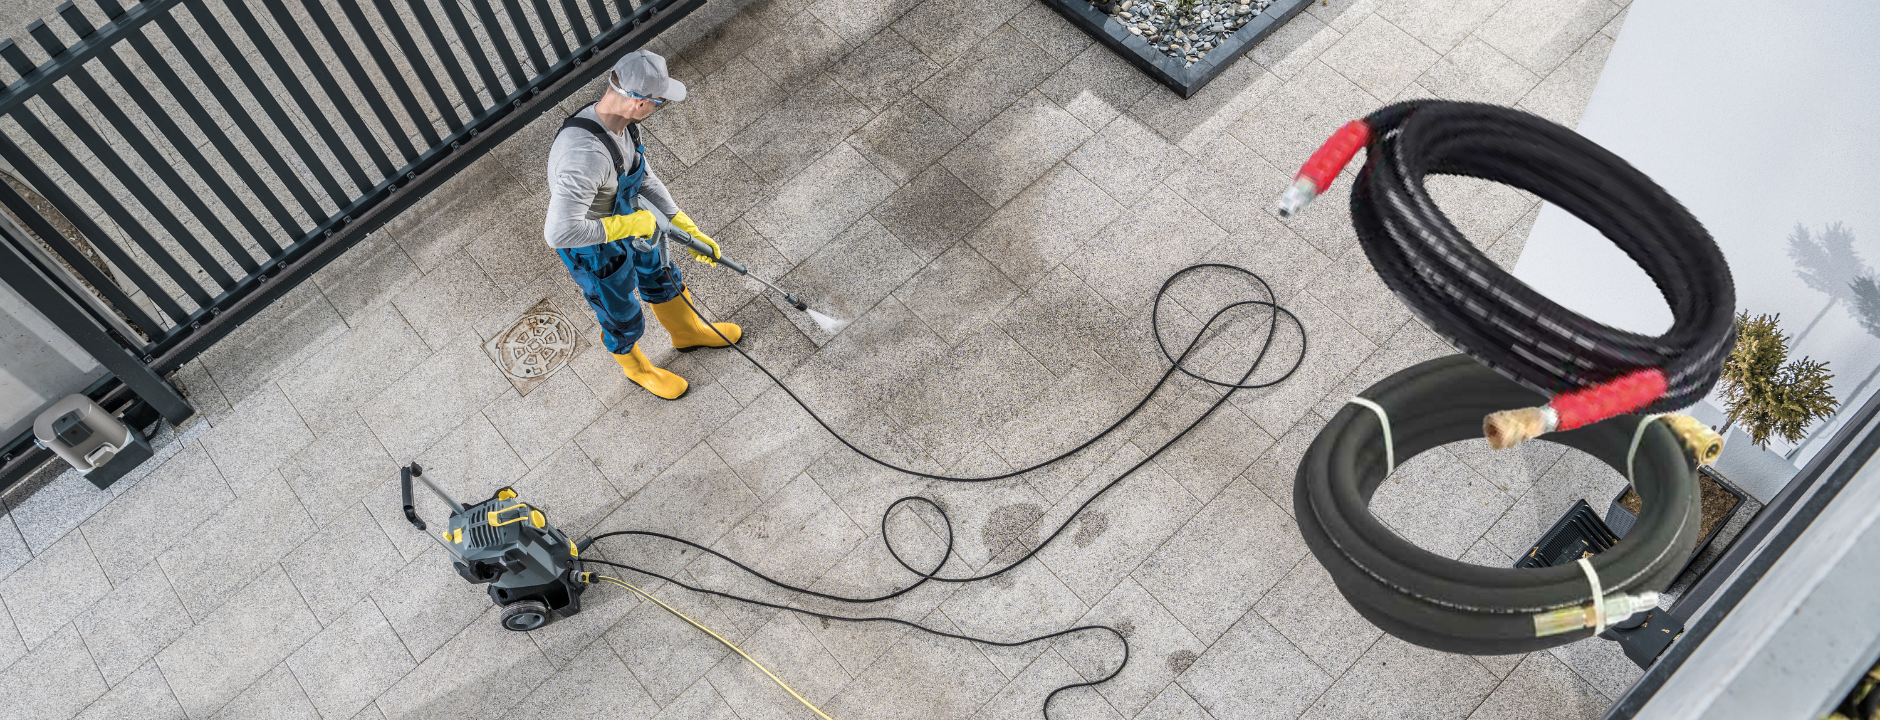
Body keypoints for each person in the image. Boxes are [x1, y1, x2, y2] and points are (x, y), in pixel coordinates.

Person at [543, 50, 739, 401]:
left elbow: (639, 173)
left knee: (662, 274)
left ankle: (688, 332)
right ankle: (638, 370)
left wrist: (680, 220)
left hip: (632, 223)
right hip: (595, 246)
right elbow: (558, 232)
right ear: (639, 103)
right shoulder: (583, 156)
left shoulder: (620, 123)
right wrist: (625, 226)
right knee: (620, 313)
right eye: (659, 103)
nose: (658, 108)